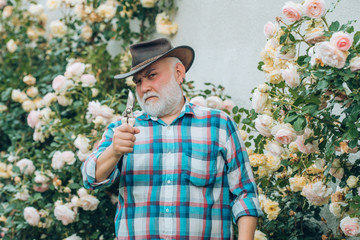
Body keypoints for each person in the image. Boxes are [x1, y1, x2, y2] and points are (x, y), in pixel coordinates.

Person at [81, 38, 263, 239]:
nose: (144, 87)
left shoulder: (218, 124)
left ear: (178, 73)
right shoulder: (123, 129)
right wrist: (114, 151)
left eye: (152, 75)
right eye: (138, 81)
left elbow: (245, 195)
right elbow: (90, 178)